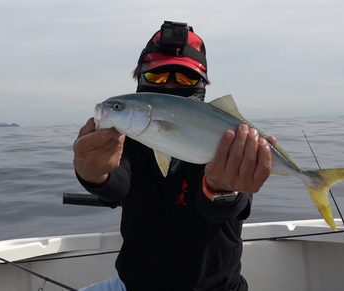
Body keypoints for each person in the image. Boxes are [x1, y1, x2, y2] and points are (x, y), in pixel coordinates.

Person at [73, 21, 275, 291]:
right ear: (139, 79)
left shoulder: (226, 137)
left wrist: (221, 189)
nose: (169, 85)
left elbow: (229, 208)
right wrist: (92, 172)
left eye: (184, 77)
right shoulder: (126, 138)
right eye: (157, 76)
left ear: (202, 84)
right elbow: (116, 187)